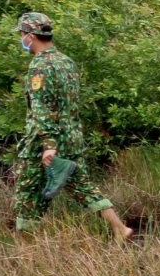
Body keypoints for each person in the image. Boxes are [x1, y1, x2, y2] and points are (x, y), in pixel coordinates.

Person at [11, 13, 135, 241]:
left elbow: (41, 108)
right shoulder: (66, 61)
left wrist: (48, 144)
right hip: (72, 139)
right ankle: (120, 229)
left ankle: (26, 247)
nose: (21, 40)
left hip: (44, 145)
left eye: (22, 35)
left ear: (30, 36)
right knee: (82, 186)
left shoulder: (39, 66)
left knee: (27, 193)